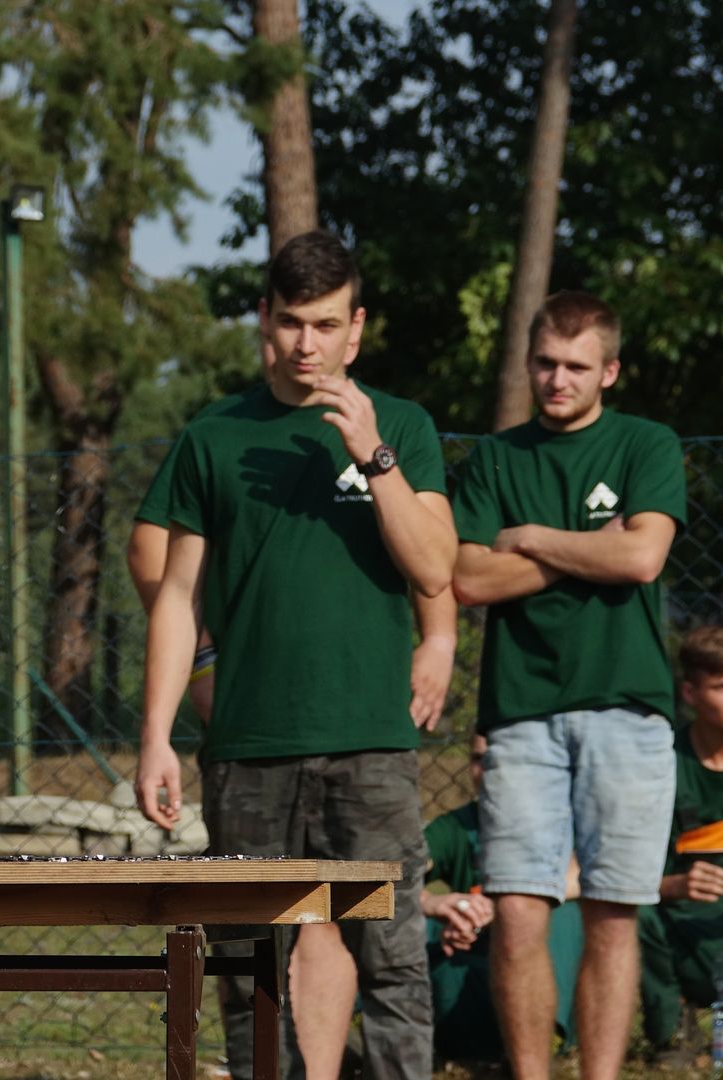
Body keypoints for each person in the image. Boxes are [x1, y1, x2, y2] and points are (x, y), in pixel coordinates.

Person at [137, 230, 455, 1080]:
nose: (305, 346)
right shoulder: (213, 436)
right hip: (248, 749)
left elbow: (434, 566)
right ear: (262, 322)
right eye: (288, 324)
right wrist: (156, 735)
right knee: (248, 972)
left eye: (323, 325)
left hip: (371, 743)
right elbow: (175, 597)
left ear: (356, 327)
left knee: (393, 962)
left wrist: (372, 455)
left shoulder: (405, 427)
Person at [450, 290, 685, 1080]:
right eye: (545, 363)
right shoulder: (495, 456)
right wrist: (591, 547)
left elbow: (642, 559)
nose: (558, 379)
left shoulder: (646, 445)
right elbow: (468, 579)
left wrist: (534, 539)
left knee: (613, 916)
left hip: (630, 712)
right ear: (528, 362)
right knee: (516, 914)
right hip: (520, 715)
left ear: (609, 371)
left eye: (577, 366)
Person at [417, 732, 583, 1066]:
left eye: (500, 759)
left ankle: (547, 1037)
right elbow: (399, 873)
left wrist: (508, 907)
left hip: (538, 952)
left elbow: (582, 875)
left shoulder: (556, 815)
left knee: (561, 912)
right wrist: (444, 908)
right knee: (401, 916)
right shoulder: (458, 825)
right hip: (474, 955)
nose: (489, 770)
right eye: (479, 759)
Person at [638, 624, 723, 1064]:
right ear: (690, 693)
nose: (484, 770)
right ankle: (671, 1034)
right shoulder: (457, 831)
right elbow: (609, 878)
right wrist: (437, 905)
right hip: (678, 928)